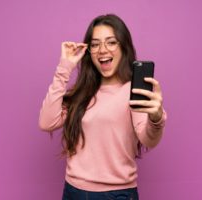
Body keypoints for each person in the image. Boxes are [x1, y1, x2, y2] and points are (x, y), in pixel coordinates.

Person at [39, 14, 167, 200]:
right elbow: (46, 122)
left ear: (123, 46)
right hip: (73, 191)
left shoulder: (133, 90)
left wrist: (156, 118)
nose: (102, 50)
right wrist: (64, 67)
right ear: (89, 51)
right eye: (95, 44)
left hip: (116, 194)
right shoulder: (83, 91)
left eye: (111, 42)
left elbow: (148, 140)